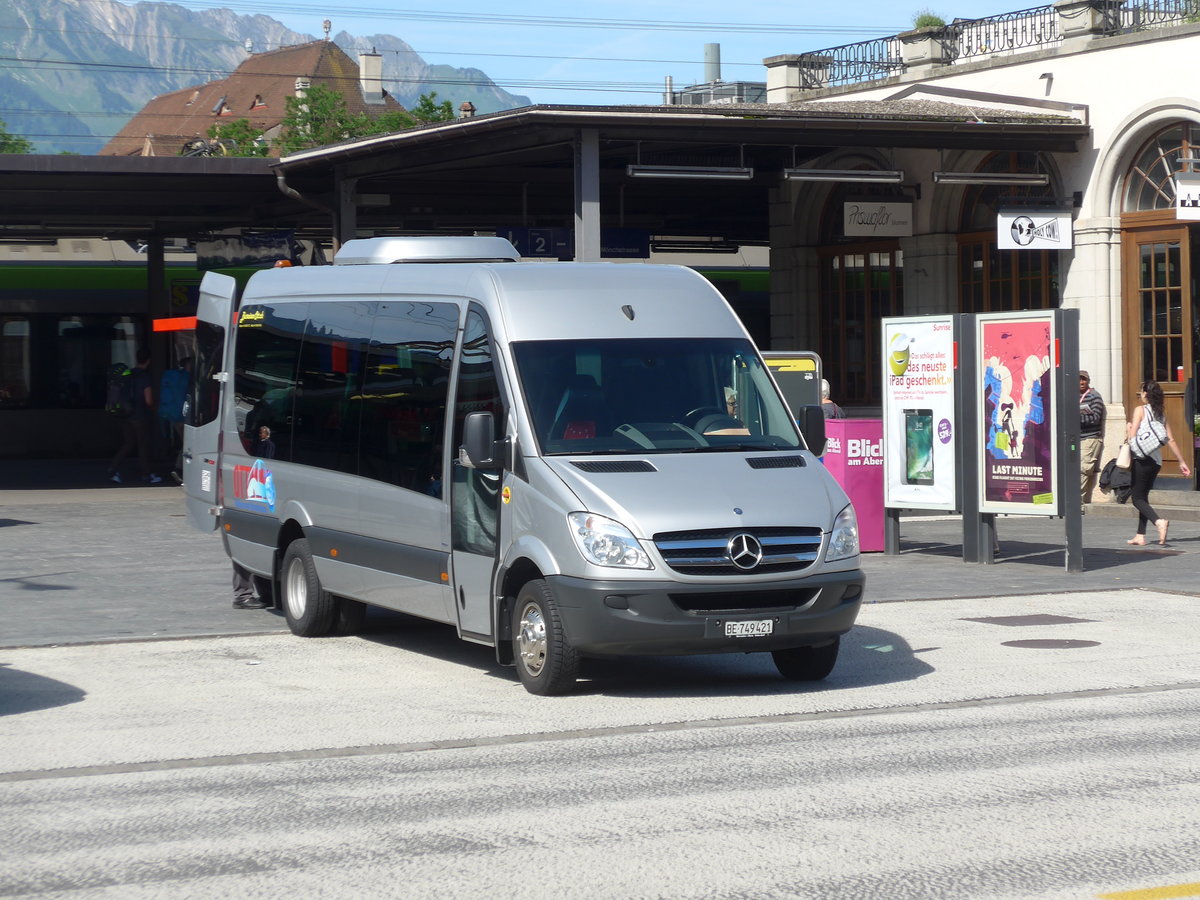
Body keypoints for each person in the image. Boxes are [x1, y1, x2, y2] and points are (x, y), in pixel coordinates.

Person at [1126, 380, 1191, 546]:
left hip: (1141, 458)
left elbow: (1132, 437)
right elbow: (1171, 439)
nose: (1140, 395)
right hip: (1156, 461)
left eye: (1141, 392)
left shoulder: (1140, 410)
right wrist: (1182, 462)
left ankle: (1158, 521)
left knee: (1137, 499)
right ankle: (1140, 535)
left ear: (1146, 394)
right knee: (1143, 496)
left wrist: (1128, 428)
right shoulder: (1161, 414)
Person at [107, 349, 162, 484]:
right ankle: (146, 474)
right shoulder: (145, 376)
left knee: (128, 443)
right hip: (139, 415)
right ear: (148, 361)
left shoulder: (128, 374)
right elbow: (148, 400)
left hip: (126, 414)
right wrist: (154, 408)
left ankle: (113, 468)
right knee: (143, 445)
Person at [1079, 370, 1105, 505]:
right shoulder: (1073, 396)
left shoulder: (1095, 396)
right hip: (1075, 438)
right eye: (1079, 379)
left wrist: (1076, 416)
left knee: (1083, 468)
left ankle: (1077, 502)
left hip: (1090, 438)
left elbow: (1095, 418)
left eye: (1084, 379)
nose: (1081, 382)